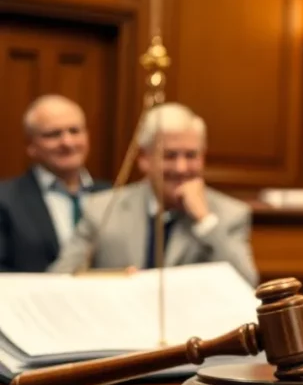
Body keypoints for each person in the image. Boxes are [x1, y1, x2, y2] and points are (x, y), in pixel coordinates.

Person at [49, 103, 259, 286]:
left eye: (191, 155)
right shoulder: (102, 209)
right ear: (144, 159)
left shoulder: (230, 214)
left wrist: (204, 221)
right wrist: (113, 281)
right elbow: (59, 278)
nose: (181, 168)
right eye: (169, 156)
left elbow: (246, 283)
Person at [0, 95, 109, 272]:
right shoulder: (6, 200)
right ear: (30, 145)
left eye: (74, 131)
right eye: (53, 134)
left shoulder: (113, 195)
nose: (67, 142)